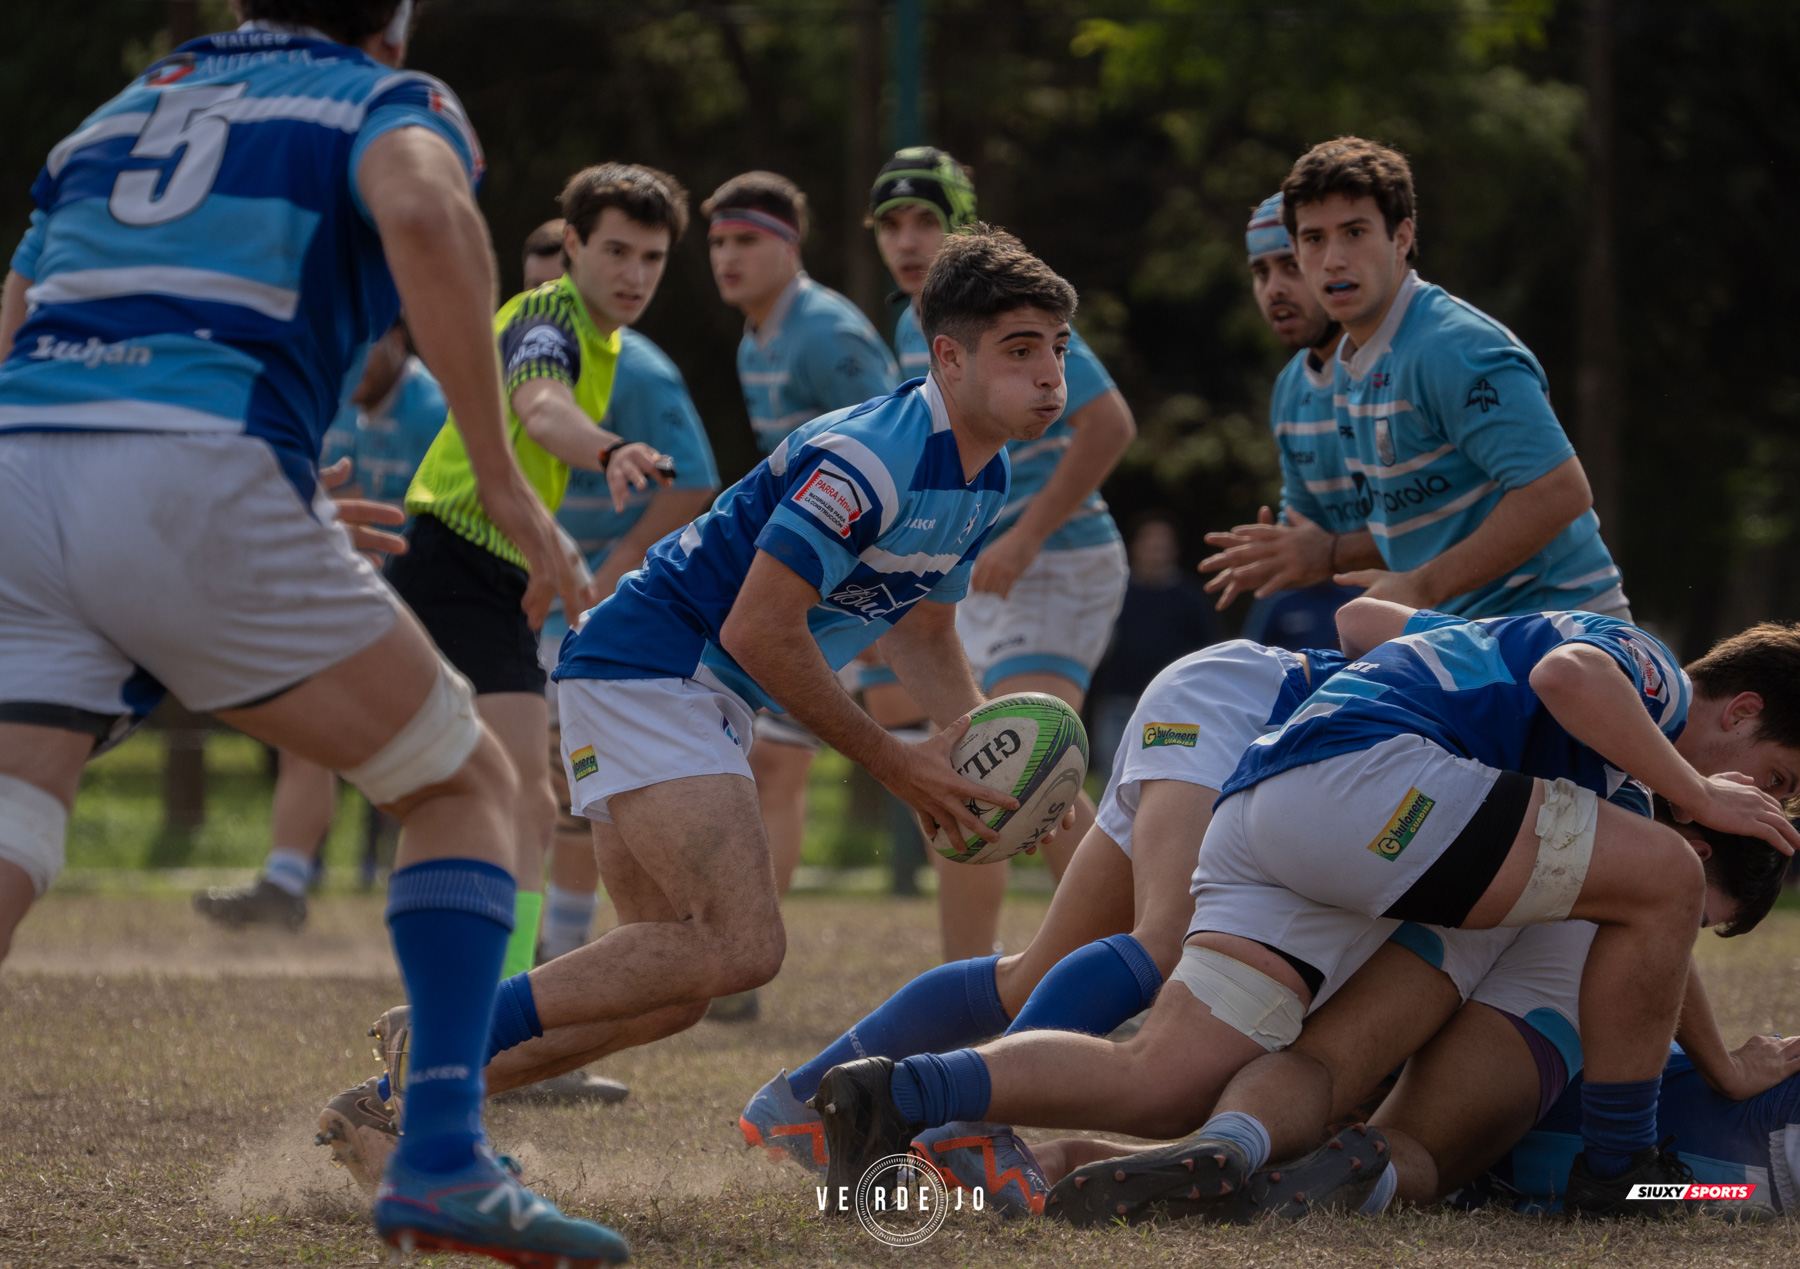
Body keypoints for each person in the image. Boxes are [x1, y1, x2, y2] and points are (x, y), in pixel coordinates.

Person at [0, 4, 626, 1264]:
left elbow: (22, 302)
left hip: (23, 465)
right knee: (466, 786)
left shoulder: (122, 110)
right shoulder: (381, 96)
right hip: (197, 460)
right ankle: (444, 1161)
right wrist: (502, 481)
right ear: (391, 19)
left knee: (15, 813)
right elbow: (426, 213)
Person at [320, 225, 1083, 1193]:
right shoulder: (871, 458)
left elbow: (923, 636)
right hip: (658, 667)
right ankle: (443, 1032)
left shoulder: (984, 475)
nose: (1050, 373)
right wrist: (901, 767)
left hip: (678, 682)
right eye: (1021, 350)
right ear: (949, 355)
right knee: (742, 945)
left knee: (676, 983)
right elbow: (764, 631)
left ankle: (403, 1107)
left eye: (1057, 348)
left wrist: (987, 766)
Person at [816, 601, 1800, 1217]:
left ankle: (899, 1095)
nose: (1764, 803)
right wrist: (1703, 797)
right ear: (1743, 711)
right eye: (1777, 780)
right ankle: (1627, 1167)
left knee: (1160, 1073)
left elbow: (1658, 932)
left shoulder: (1608, 797)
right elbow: (1563, 677)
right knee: (1664, 870)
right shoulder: (1652, 675)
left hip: (1274, 807)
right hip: (1367, 779)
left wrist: (1718, 1055)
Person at [738, 635, 1344, 1201]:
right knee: (1166, 940)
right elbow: (1365, 617)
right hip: (1242, 707)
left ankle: (797, 1104)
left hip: (1225, 700)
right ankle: (967, 1128)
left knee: (1034, 974)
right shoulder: (1439, 657)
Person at [392, 164, 680, 986]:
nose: (634, 275)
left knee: (506, 797)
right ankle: (489, 1013)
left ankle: (490, 1008)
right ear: (573, 246)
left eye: (652, 259)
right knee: (507, 796)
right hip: (454, 558)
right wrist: (610, 448)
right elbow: (541, 409)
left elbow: (518, 458)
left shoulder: (607, 341)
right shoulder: (549, 316)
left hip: (489, 569)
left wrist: (555, 553)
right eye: (616, 251)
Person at [1200, 139, 1628, 622]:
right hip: (1451, 640)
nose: (1334, 259)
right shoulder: (1347, 363)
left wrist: (1411, 583)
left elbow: (1559, 492)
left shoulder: (1453, 346)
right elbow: (1397, 530)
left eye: (1354, 232)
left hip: (1554, 629)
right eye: (1314, 239)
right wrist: (1284, 552)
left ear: (1401, 238)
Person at [877, 146, 1137, 876]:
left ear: (960, 225)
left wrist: (1023, 538)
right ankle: (972, 979)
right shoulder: (912, 326)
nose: (905, 240)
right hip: (975, 571)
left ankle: (1138, 950)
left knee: (1026, 765)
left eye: (924, 220)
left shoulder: (1005, 313)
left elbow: (1110, 422)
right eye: (889, 223)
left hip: (1057, 559)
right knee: (973, 770)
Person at [705, 170, 902, 1006]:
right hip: (820, 587)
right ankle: (745, 956)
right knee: (768, 763)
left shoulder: (823, 330)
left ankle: (1119, 933)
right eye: (716, 243)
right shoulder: (758, 337)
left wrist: (884, 601)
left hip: (859, 588)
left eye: (746, 240)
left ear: (789, 245)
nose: (727, 257)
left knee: (987, 756)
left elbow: (899, 450)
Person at [196, 320, 445, 929]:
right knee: (303, 734)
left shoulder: (436, 412)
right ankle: (285, 883)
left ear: (399, 343)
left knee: (441, 754)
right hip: (354, 595)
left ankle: (447, 894)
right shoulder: (332, 401)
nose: (349, 360)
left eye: (364, 347)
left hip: (438, 603)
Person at [1085, 512, 1222, 783]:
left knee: (1163, 782)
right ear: (1134, 546)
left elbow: (1209, 653)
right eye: (1150, 542)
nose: (1156, 549)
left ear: (1175, 548)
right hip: (1118, 705)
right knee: (1114, 784)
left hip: (1173, 710)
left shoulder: (1190, 599)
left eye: (1163, 543)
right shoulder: (1115, 593)